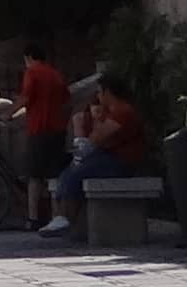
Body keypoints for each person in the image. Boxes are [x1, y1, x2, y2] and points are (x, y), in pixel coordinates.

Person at [40, 70, 153, 240]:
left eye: (100, 92)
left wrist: (92, 127)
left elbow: (97, 137)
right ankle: (61, 217)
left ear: (108, 92)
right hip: (106, 156)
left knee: (77, 173)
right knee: (68, 170)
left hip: (120, 162)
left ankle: (65, 216)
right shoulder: (109, 112)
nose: (98, 96)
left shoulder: (123, 111)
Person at [16, 40, 72, 229]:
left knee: (34, 176)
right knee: (54, 174)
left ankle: (33, 218)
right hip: (58, 130)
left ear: (29, 57)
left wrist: (7, 113)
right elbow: (67, 101)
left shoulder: (32, 72)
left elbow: (26, 97)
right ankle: (56, 215)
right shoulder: (55, 74)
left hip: (38, 129)